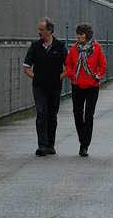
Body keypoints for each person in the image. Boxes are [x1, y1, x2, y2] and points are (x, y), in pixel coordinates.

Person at [23, 17, 67, 156]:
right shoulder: (35, 47)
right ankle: (42, 145)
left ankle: (50, 144)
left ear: (50, 31)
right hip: (39, 86)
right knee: (41, 113)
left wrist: (59, 77)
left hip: (55, 86)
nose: (39, 32)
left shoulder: (60, 47)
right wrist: (35, 77)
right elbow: (26, 67)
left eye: (41, 30)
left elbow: (69, 67)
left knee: (52, 115)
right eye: (39, 30)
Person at [65, 24, 107, 157]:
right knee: (77, 113)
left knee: (88, 115)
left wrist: (97, 76)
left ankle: (84, 145)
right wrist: (72, 75)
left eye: (81, 34)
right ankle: (82, 138)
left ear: (87, 35)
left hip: (92, 86)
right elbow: (68, 64)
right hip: (77, 84)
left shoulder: (97, 48)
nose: (79, 36)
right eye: (78, 34)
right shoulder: (74, 49)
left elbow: (103, 64)